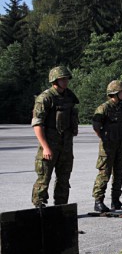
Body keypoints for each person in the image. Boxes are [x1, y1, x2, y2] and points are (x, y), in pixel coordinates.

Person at [31, 66, 79, 207]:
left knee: (64, 179)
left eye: (66, 79)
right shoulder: (45, 98)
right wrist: (45, 147)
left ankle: (61, 208)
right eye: (62, 79)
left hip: (66, 145)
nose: (65, 81)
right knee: (44, 178)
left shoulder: (69, 96)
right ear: (54, 80)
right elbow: (37, 124)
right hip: (50, 144)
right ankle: (39, 208)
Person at [91, 80, 122, 213]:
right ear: (115, 93)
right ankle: (98, 201)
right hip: (108, 146)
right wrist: (104, 138)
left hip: (121, 145)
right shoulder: (104, 108)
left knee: (119, 173)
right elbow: (96, 126)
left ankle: (116, 200)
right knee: (104, 173)